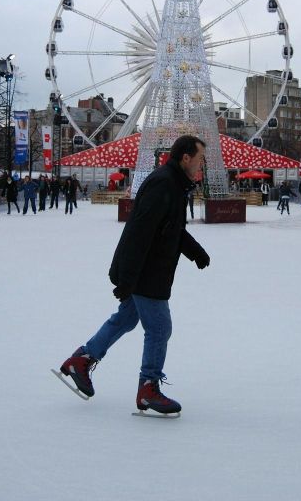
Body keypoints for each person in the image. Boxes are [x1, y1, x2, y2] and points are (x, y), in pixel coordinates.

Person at [58, 135, 211, 416]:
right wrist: (127, 279)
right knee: (160, 328)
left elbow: (171, 228)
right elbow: (139, 232)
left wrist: (195, 252)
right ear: (185, 158)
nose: (202, 163)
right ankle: (148, 388)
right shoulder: (164, 183)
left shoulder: (174, 184)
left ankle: (81, 360)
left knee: (126, 319)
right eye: (200, 157)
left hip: (149, 269)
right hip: (146, 272)